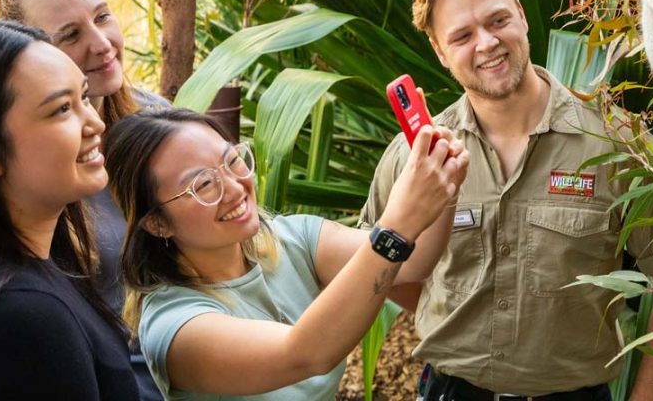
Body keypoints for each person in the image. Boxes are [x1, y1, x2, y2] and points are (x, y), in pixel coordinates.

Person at [359, 0, 653, 400]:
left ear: (520, 15)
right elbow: (375, 271)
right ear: (440, 52)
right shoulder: (414, 157)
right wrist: (443, 313)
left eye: (497, 20)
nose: (486, 43)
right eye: (462, 35)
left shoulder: (619, 146)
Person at [103, 107, 470, 400]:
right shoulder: (176, 326)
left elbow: (411, 262)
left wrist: (445, 184)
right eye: (202, 185)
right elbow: (305, 354)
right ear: (157, 224)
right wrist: (396, 226)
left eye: (232, 161)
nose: (234, 188)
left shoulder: (289, 238)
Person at [0, 0, 167, 398]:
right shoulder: (35, 173)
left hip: (199, 345)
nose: (101, 43)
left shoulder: (156, 119)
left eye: (103, 17)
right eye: (70, 35)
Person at [0, 21, 139, 400]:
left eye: (84, 97)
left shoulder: (33, 274)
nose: (95, 123)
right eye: (62, 109)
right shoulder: (20, 318)